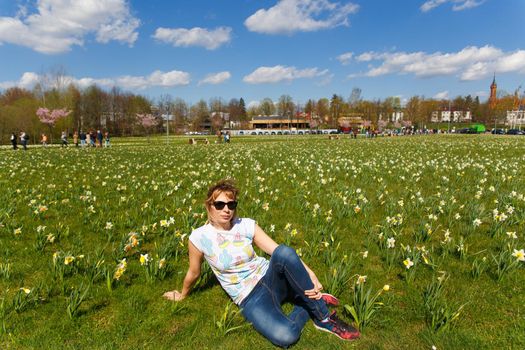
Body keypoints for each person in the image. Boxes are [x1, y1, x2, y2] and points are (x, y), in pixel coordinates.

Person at [163, 180, 359, 347]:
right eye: (220, 204)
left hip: (270, 277)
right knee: (287, 336)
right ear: (209, 205)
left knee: (283, 251)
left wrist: (311, 275)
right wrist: (182, 295)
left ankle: (323, 318)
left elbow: (278, 251)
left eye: (231, 205)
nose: (226, 210)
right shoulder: (199, 237)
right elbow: (194, 272)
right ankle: (309, 302)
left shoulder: (246, 224)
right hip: (250, 298)